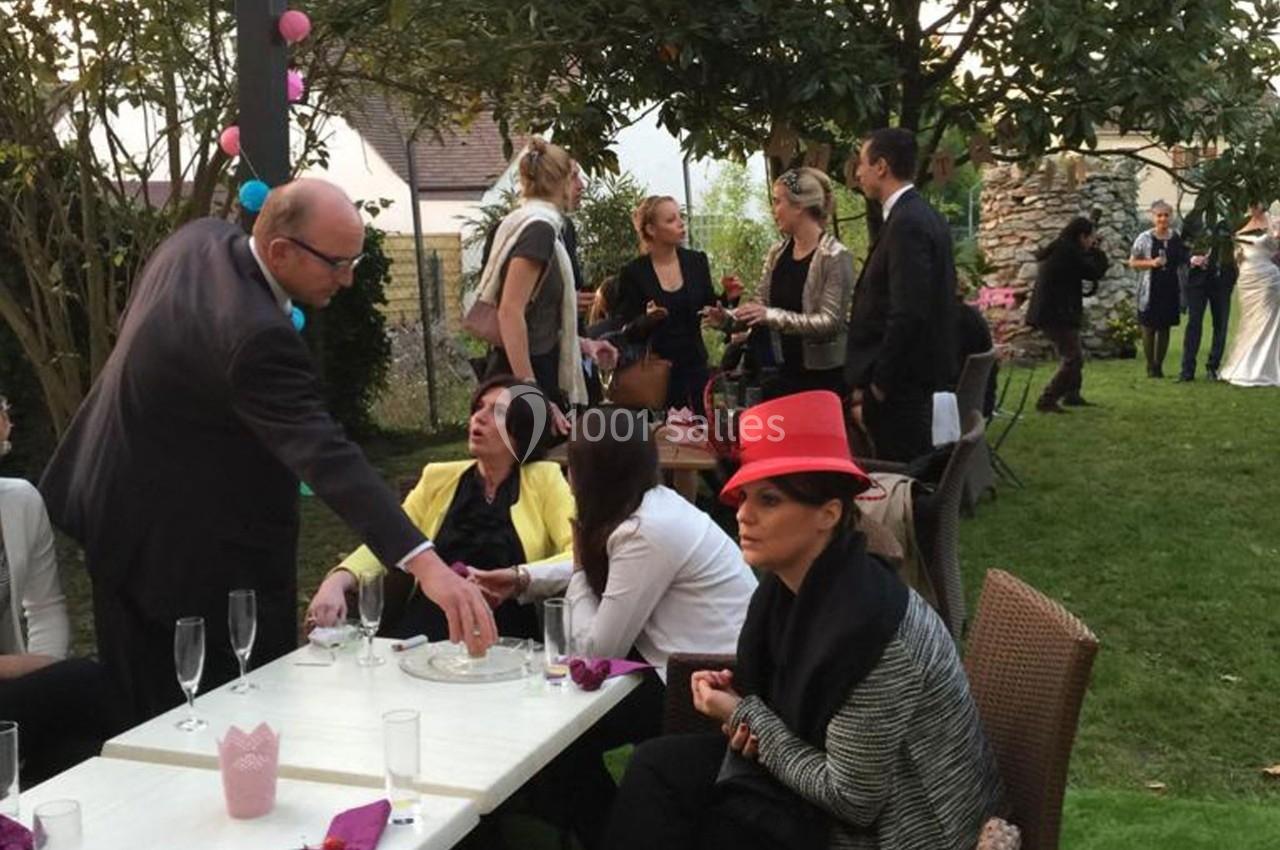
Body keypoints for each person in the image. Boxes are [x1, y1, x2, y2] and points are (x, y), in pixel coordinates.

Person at [38, 179, 496, 724]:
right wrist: (426, 564)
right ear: (281, 250)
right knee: (203, 716)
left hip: (117, 507)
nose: (349, 279)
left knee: (159, 706)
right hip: (175, 551)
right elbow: (328, 456)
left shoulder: (197, 241)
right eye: (337, 263)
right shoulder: (254, 334)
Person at [606, 390, 1005, 850]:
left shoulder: (872, 633)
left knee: (716, 822)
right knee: (657, 767)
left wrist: (743, 713)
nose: (743, 514)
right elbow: (802, 691)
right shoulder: (793, 591)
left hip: (902, 828)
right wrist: (739, 692)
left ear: (828, 514)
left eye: (769, 500)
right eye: (744, 496)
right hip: (834, 791)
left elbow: (853, 799)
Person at [478, 406, 756, 850]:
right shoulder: (654, 509)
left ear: (592, 474)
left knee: (554, 737)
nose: (569, 478)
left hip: (704, 685)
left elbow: (595, 649)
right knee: (556, 731)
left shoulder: (646, 530)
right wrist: (523, 579)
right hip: (694, 667)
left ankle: (604, 831)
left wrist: (578, 562)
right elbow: (614, 579)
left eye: (573, 466)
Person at [305, 376, 573, 640]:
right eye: (478, 407)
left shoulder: (544, 480)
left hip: (506, 638)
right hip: (425, 634)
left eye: (497, 413)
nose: (478, 418)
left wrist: (519, 578)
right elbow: (390, 537)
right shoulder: (438, 478)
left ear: (522, 431)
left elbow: (578, 554)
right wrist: (338, 579)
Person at [0, 394, 128, 784]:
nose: (8, 418)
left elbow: (45, 607)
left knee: (81, 756)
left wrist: (44, 667)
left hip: (13, 695)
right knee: (88, 682)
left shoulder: (19, 501)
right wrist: (24, 668)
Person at [481, 139, 616, 424]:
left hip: (536, 368)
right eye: (575, 176)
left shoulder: (538, 225)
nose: (582, 185)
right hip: (523, 376)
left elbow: (534, 316)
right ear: (558, 182)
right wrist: (531, 392)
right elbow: (510, 311)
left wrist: (581, 343)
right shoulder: (539, 229)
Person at [846, 128, 957, 462]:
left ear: (881, 166)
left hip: (902, 388)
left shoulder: (908, 222)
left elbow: (908, 310)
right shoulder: (919, 215)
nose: (858, 173)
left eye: (862, 164)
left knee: (903, 482)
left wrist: (881, 383)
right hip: (910, 381)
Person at [706, 167, 854, 400]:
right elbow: (760, 306)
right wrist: (727, 318)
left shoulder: (835, 256)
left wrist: (771, 315)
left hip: (823, 377)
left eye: (777, 201)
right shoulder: (777, 252)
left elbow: (830, 322)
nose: (773, 210)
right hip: (781, 371)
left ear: (799, 206)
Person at [615, 196, 717, 411]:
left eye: (680, 217)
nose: (681, 224)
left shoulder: (696, 261)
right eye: (671, 220)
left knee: (702, 433)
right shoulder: (634, 273)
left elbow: (709, 305)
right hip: (656, 370)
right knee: (667, 438)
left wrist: (730, 298)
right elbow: (625, 330)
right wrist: (648, 320)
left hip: (696, 366)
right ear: (651, 229)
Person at [1026, 216, 1110, 411]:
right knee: (1073, 358)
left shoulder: (1062, 248)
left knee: (1073, 352)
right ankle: (1048, 399)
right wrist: (1098, 251)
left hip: (1056, 311)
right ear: (1082, 236)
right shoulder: (1068, 252)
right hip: (1056, 313)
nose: (1091, 242)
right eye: (1090, 238)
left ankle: (1072, 394)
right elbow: (1093, 271)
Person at [1218, 204, 1280, 387]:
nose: (1254, 207)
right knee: (1250, 321)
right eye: (1251, 203)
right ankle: (1246, 363)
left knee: (1268, 320)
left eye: (1258, 203)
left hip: (1267, 276)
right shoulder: (1241, 223)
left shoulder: (1273, 222)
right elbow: (1236, 252)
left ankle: (1265, 367)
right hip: (1246, 276)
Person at [1128, 200, 1188, 378]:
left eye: (1166, 215)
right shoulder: (1144, 238)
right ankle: (1149, 364)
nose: (1163, 219)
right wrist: (1151, 263)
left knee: (1164, 327)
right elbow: (1132, 262)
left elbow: (1182, 259)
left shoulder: (1175, 237)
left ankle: (1158, 365)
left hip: (1170, 287)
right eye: (1159, 215)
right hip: (1150, 287)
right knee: (1148, 327)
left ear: (1171, 217)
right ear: (1153, 217)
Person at [1179, 217, 1238, 382]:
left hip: (1222, 280)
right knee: (1194, 323)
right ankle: (1187, 370)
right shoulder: (1193, 218)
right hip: (1197, 279)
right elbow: (1182, 248)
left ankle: (1213, 367)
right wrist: (1191, 259)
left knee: (1220, 324)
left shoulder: (1231, 218)